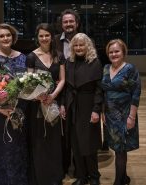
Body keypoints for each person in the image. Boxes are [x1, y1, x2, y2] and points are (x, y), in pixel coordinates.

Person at [0, 23, 28, 185]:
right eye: (1, 36)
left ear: (13, 37)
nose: (5, 38)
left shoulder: (23, 57)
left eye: (8, 35)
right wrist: (1, 109)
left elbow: (26, 82)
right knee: (3, 145)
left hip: (20, 108)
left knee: (18, 145)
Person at [60, 33, 103, 185]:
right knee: (76, 143)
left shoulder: (95, 62)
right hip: (72, 106)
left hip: (88, 106)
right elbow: (66, 88)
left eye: (81, 45)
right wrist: (63, 105)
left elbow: (99, 90)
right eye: (76, 45)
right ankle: (82, 176)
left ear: (87, 46)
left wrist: (96, 109)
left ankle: (94, 176)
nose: (78, 48)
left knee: (89, 144)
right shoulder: (69, 62)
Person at [26, 23, 65, 185]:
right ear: (37, 37)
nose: (44, 38)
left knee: (54, 140)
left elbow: (62, 79)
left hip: (53, 102)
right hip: (37, 104)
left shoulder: (59, 55)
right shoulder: (31, 56)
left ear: (52, 36)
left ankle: (55, 176)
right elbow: (30, 82)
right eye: (41, 35)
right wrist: (41, 97)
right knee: (39, 140)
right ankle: (41, 177)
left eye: (47, 35)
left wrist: (53, 96)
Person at [101, 39, 141, 185]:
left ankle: (118, 181)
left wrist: (132, 116)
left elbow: (136, 94)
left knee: (120, 150)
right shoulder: (105, 68)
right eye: (111, 52)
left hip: (125, 115)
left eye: (117, 51)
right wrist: (103, 112)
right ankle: (124, 178)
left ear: (123, 52)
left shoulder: (130, 69)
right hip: (110, 115)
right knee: (116, 147)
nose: (114, 54)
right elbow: (103, 92)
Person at [54, 9, 81, 176]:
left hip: (78, 92)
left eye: (71, 21)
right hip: (59, 91)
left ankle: (80, 168)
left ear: (76, 23)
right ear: (61, 24)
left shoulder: (84, 40)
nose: (69, 24)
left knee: (77, 131)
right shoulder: (55, 40)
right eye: (66, 22)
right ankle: (63, 167)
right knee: (61, 132)